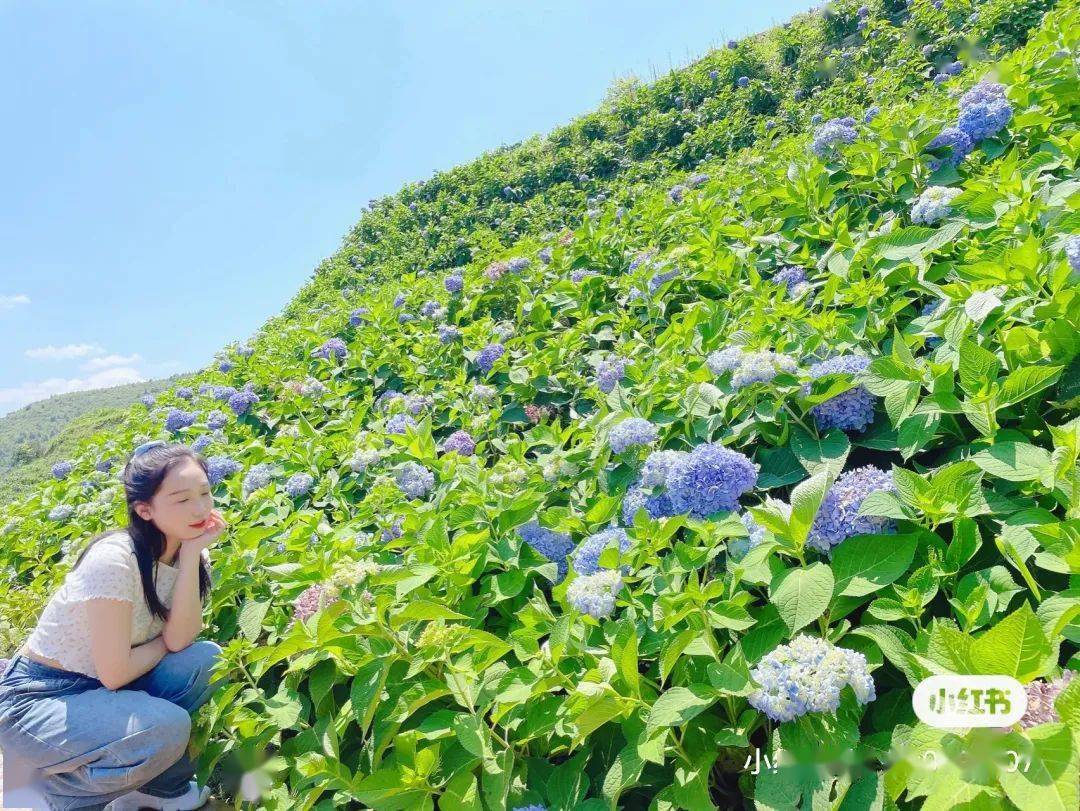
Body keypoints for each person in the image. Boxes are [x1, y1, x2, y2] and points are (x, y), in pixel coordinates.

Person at [0, 440, 228, 810]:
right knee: (163, 728)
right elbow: (116, 672)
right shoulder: (114, 559)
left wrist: (190, 557)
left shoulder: (193, 549)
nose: (201, 508)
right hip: (40, 699)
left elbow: (183, 639)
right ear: (145, 509)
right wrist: (166, 644)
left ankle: (157, 792)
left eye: (205, 492)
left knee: (205, 660)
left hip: (104, 688)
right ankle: (47, 795)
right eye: (182, 499)